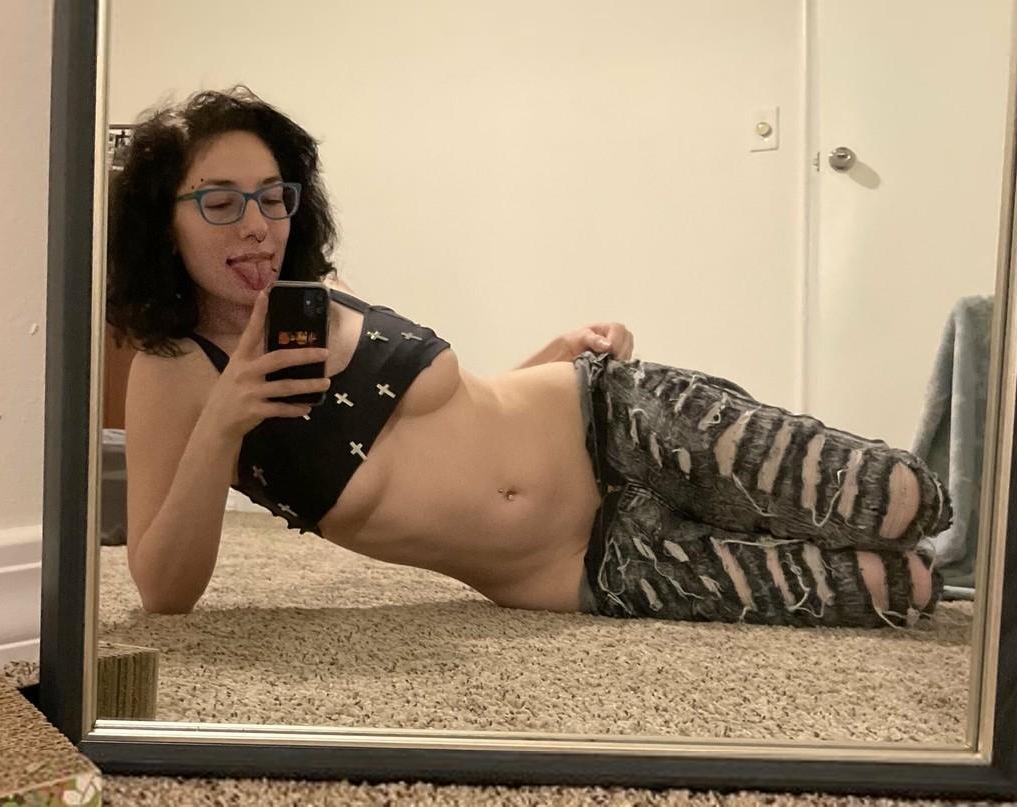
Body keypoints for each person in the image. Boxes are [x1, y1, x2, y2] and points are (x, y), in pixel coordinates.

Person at [107, 86, 952, 629]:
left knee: (902, 497)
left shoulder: (323, 296)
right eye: (220, 203)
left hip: (614, 415)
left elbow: (448, 418)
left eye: (273, 197)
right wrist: (222, 426)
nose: (257, 226)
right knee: (905, 589)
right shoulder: (172, 370)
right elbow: (163, 591)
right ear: (162, 221)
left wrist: (558, 351)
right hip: (581, 563)